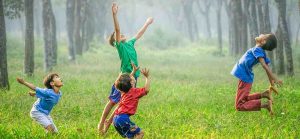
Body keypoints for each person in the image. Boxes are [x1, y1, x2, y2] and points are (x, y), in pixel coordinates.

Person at [98, 2, 154, 134]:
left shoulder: (129, 43)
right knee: (113, 101)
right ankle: (102, 122)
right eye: (118, 36)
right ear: (115, 41)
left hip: (133, 77)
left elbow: (139, 33)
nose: (121, 34)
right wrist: (114, 14)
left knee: (123, 102)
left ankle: (108, 123)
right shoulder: (120, 46)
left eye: (122, 34)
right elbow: (117, 30)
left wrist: (147, 23)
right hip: (123, 79)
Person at [231, 33, 282, 115]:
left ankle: (266, 105)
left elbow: (265, 66)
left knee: (239, 105)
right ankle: (264, 94)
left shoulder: (257, 50)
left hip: (245, 77)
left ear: (263, 41)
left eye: (264, 35)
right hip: (245, 76)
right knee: (244, 98)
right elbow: (267, 68)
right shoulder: (259, 51)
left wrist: (274, 78)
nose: (261, 34)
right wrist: (272, 83)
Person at [110, 64, 150, 139]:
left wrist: (133, 71)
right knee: (140, 133)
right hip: (123, 119)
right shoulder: (134, 92)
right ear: (131, 83)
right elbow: (146, 90)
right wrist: (147, 77)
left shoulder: (123, 90)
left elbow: (125, 81)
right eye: (132, 77)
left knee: (131, 136)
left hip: (115, 119)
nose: (132, 76)